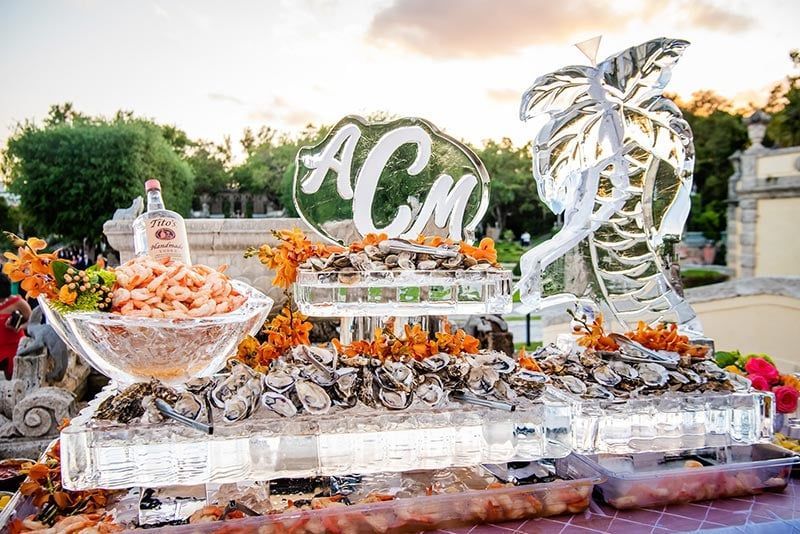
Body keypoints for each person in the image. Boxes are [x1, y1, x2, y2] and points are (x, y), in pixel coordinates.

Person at [0, 274, 31, 378]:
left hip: (15, 345)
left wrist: (19, 326)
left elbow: (32, 322)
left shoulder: (18, 302)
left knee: (13, 377)